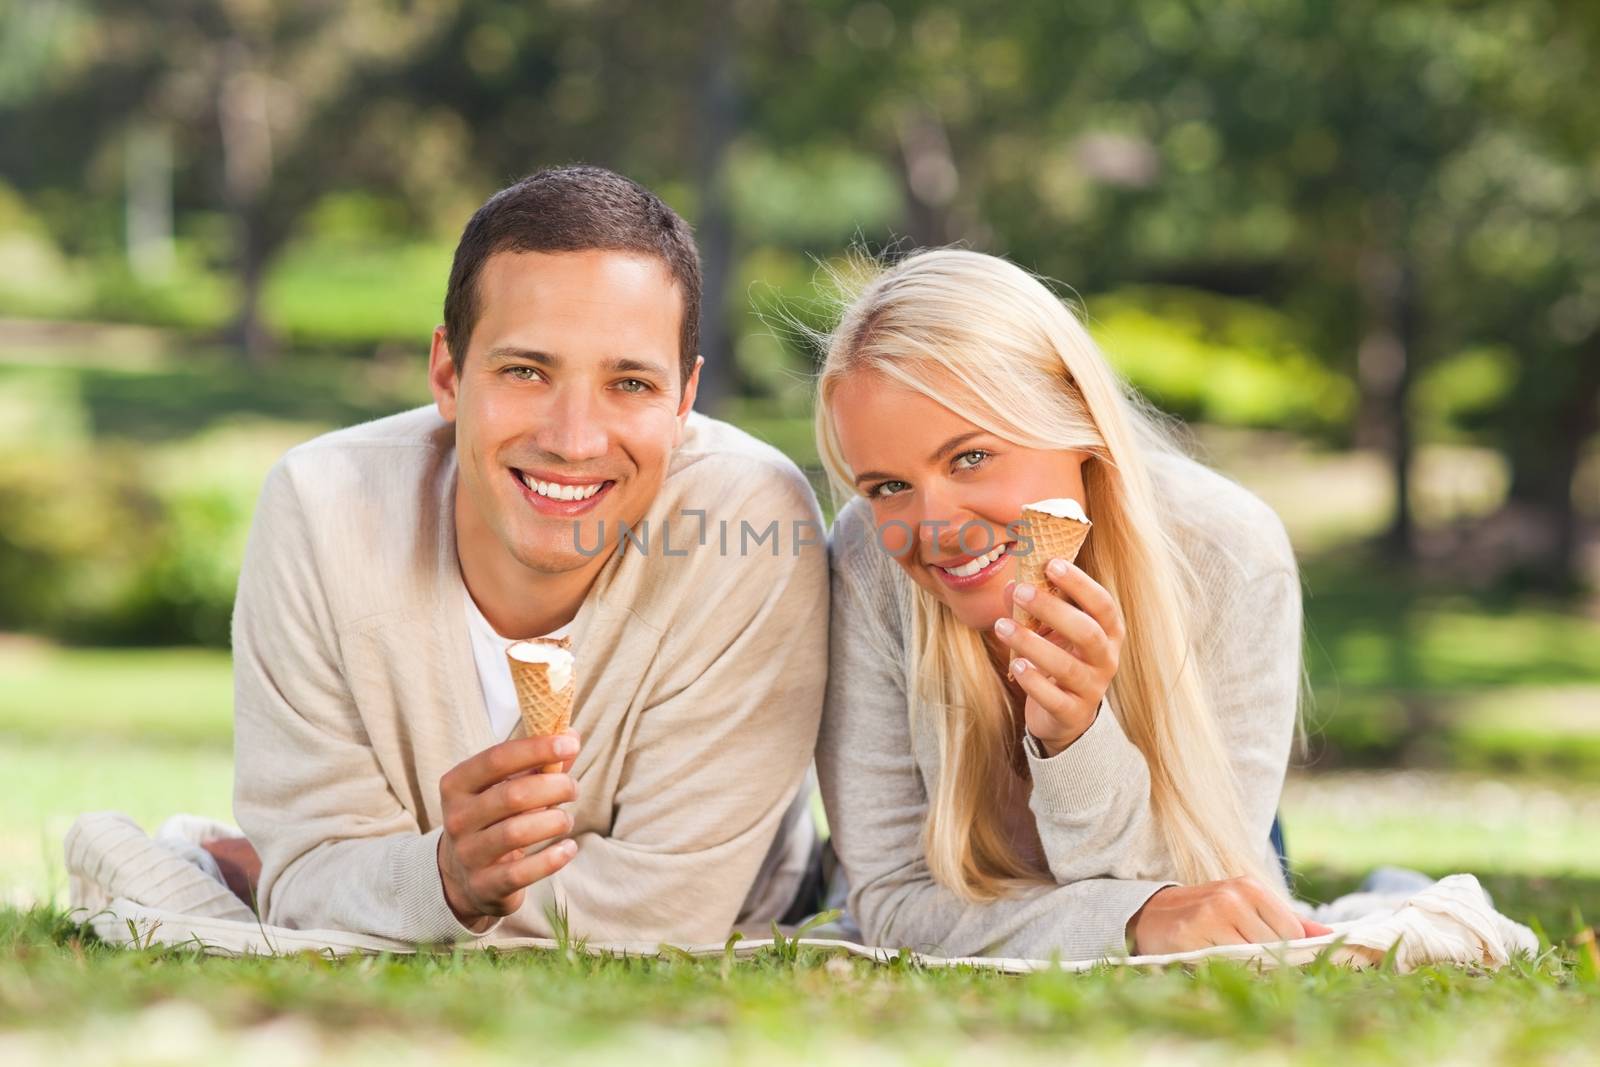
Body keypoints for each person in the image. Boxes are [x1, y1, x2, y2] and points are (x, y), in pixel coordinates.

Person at [220, 165, 828, 943]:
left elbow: (669, 912)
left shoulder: (749, 521)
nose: (573, 440)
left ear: (684, 400)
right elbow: (306, 875)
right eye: (525, 371)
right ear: (448, 371)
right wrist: (434, 877)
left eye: (631, 383)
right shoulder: (320, 507)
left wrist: (404, 891)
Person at [813, 249, 1334, 960]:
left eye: (970, 457)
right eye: (886, 486)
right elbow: (891, 901)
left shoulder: (1227, 549)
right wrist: (1127, 921)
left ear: (1077, 419)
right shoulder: (870, 558)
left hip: (1192, 821)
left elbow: (1203, 899)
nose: (932, 526)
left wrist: (1076, 737)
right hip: (978, 859)